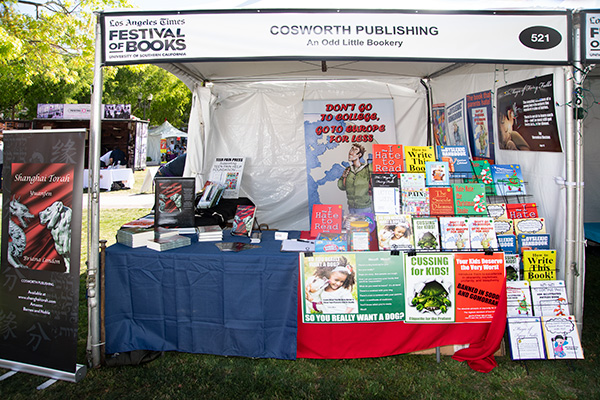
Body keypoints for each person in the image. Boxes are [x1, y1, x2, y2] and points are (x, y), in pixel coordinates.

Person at [337, 143, 373, 214]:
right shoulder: (348, 169)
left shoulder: (367, 169)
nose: (351, 152)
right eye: (351, 149)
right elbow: (341, 187)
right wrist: (343, 177)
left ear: (359, 155)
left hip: (365, 208)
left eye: (354, 150)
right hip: (351, 207)